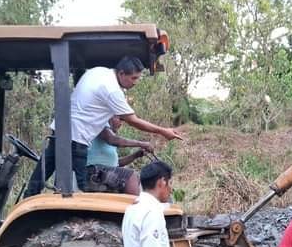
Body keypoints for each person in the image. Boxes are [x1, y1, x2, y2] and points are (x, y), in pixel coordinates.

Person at [24, 56, 183, 197]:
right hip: (76, 139)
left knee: (40, 178)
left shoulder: (97, 72)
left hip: (59, 131)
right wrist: (163, 131)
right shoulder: (112, 90)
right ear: (121, 73)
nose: (135, 83)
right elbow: (133, 120)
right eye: (133, 78)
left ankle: (28, 200)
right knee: (82, 190)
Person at [84, 116, 154, 195]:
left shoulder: (109, 137)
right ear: (110, 116)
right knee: (130, 177)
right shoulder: (100, 122)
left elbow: (116, 163)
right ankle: (134, 207)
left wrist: (136, 155)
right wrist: (141, 144)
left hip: (101, 172)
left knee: (136, 178)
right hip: (92, 171)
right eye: (120, 119)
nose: (121, 123)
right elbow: (113, 139)